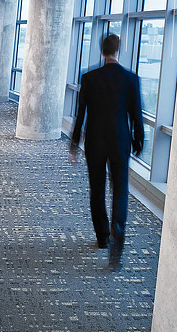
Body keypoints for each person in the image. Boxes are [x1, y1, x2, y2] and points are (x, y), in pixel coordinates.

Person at [69, 33, 144, 269]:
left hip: (95, 142)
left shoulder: (89, 78)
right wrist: (138, 142)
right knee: (120, 190)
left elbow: (80, 114)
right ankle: (117, 238)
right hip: (120, 141)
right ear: (118, 50)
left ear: (102, 51)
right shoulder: (131, 79)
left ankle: (102, 237)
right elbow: (136, 115)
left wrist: (74, 145)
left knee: (97, 189)